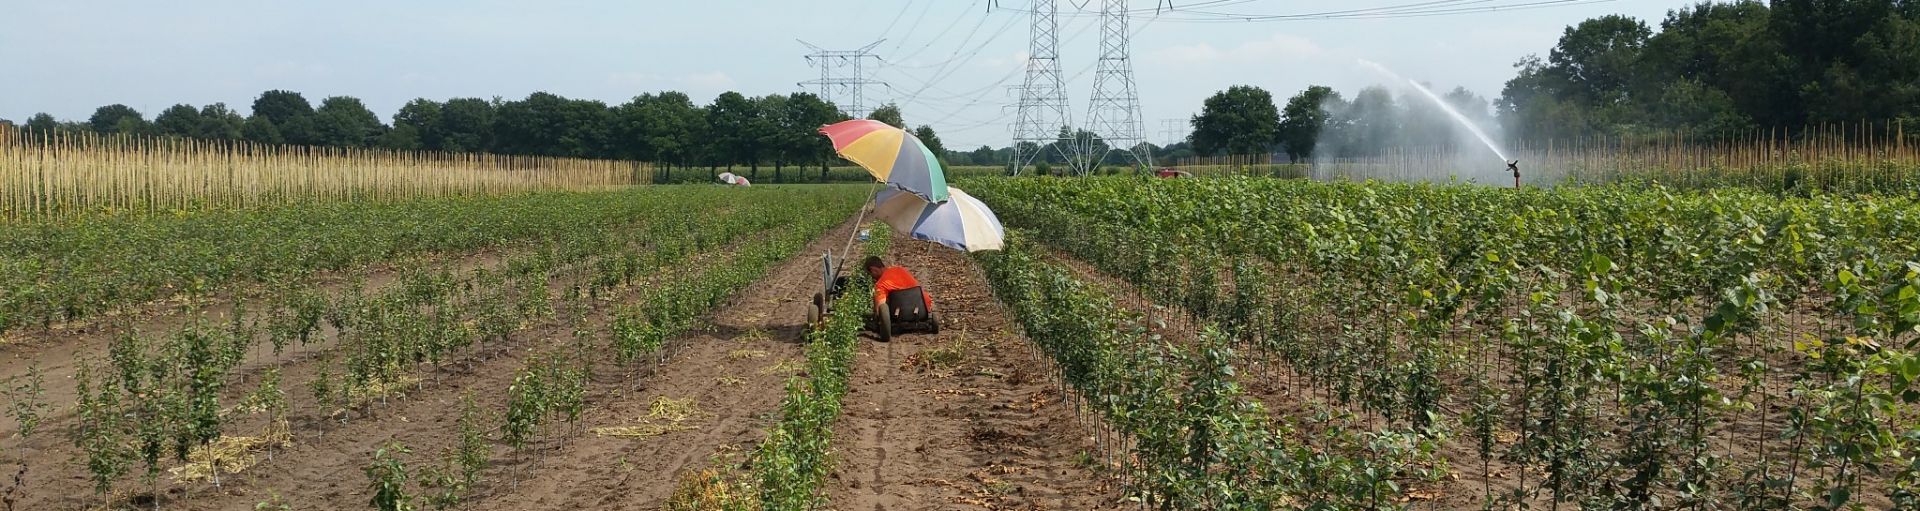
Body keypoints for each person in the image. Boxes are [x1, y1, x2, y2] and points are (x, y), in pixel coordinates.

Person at [865, 255, 933, 321]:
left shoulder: (880, 284)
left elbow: (880, 310)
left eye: (870, 274)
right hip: (922, 310)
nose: (872, 277)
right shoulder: (900, 269)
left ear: (874, 269)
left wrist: (875, 315)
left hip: (899, 315)